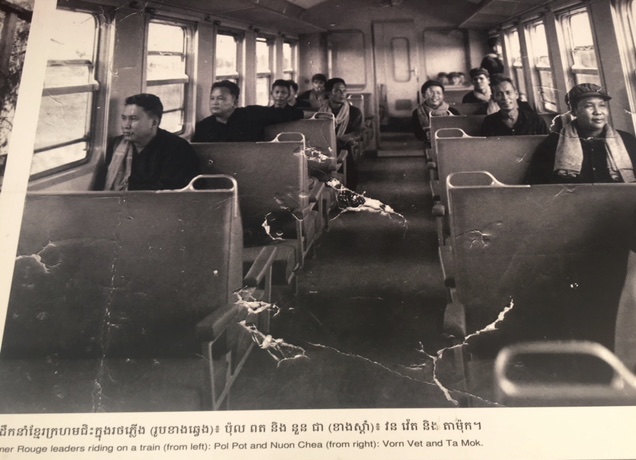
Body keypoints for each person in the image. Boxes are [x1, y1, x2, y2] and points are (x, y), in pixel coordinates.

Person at [525, 83, 636, 184]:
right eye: (589, 106)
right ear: (573, 111)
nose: (598, 112)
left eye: (602, 105)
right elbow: (538, 185)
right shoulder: (554, 142)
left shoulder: (627, 140)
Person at [99, 93, 199, 191]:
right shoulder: (116, 145)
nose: (126, 125)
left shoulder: (177, 149)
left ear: (154, 122)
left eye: (133, 119)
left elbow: (170, 192)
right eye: (124, 118)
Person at [192, 80, 303, 142]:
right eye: (212, 98)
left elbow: (286, 114)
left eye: (221, 98)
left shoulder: (251, 115)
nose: (214, 103)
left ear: (235, 102)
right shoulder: (203, 126)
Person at [318, 77, 364, 189]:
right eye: (337, 91)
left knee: (347, 160)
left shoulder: (354, 112)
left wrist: (340, 139)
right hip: (323, 147)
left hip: (343, 148)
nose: (342, 94)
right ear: (328, 93)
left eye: (344, 90)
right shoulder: (319, 112)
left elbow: (358, 132)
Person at [480, 74, 548, 136]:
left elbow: (548, 143)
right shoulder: (489, 123)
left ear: (516, 94)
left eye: (508, 93)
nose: (505, 98)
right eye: (499, 94)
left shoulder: (536, 120)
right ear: (493, 98)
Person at [412, 80, 460, 146]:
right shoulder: (417, 113)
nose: (435, 96)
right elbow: (419, 136)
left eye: (438, 93)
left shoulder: (453, 111)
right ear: (423, 95)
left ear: (443, 96)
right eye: (431, 92)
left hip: (451, 145)